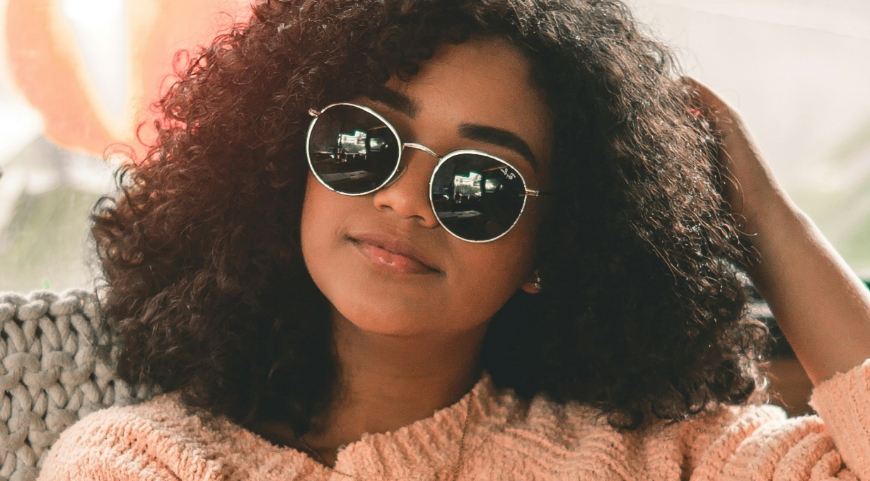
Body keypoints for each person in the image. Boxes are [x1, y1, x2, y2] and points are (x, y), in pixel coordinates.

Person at [38, 0, 870, 479]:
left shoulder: (653, 453)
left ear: (553, 246)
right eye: (363, 145)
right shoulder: (138, 459)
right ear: (286, 167)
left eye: (479, 184)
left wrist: (762, 214)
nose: (405, 199)